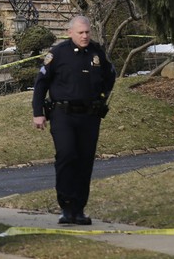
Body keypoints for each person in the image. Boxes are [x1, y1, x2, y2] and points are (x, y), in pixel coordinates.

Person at [32, 15, 115, 225]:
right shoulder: (58, 54)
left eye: (87, 32)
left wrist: (102, 97)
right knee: (67, 155)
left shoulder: (96, 52)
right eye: (81, 33)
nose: (85, 36)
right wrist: (38, 112)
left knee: (85, 161)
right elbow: (41, 83)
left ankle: (79, 209)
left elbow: (110, 76)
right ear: (70, 33)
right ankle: (66, 206)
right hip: (63, 114)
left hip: (89, 115)